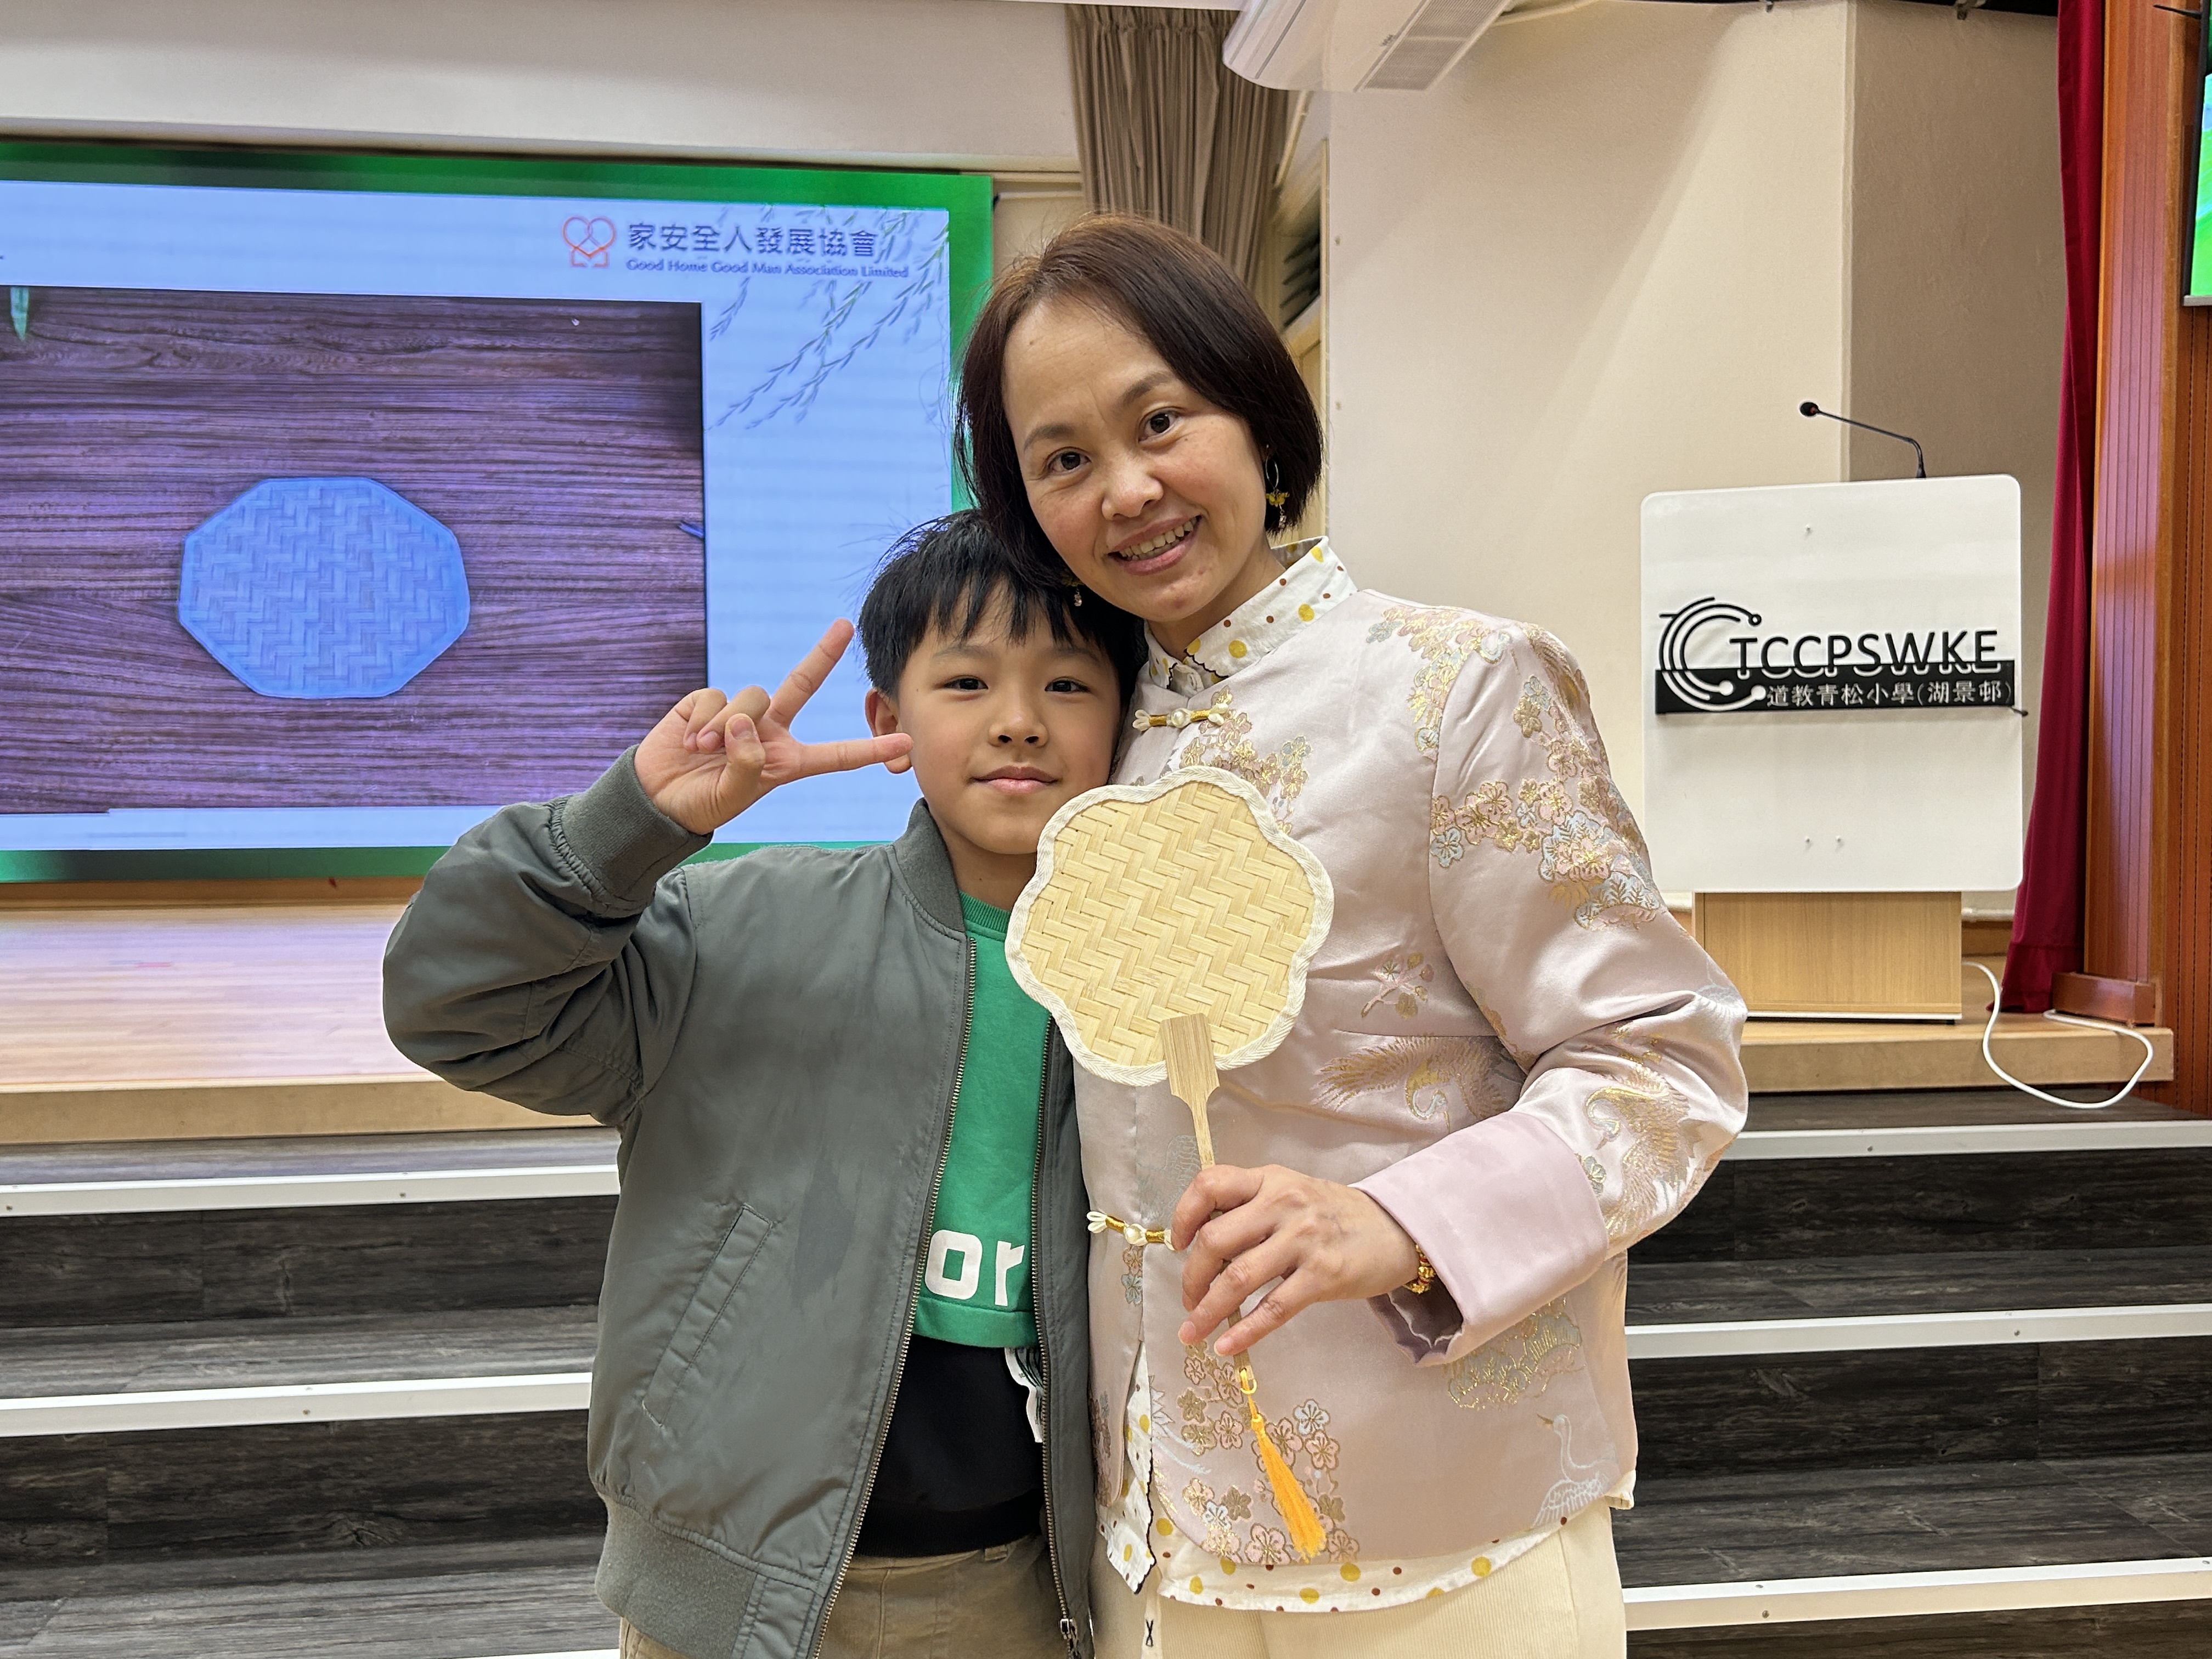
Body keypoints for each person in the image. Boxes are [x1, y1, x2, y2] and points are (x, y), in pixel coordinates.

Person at [956, 215, 1750, 1657]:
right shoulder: (1087, 733)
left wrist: (1398, 1224)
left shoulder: (1456, 690)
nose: (1125, 489)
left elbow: (1661, 1068)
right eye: (1062, 459)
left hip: (1443, 1533)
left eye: (1159, 421)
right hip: (1151, 1542)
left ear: (1257, 417)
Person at [382, 513, 1147, 1659]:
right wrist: (627, 828)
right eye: (967, 681)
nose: (1019, 720)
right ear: (888, 721)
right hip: (730, 1604)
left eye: (1069, 684)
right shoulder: (741, 930)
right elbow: (455, 1006)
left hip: (1022, 1592)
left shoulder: (1152, 986)